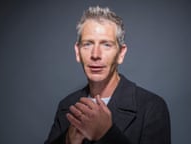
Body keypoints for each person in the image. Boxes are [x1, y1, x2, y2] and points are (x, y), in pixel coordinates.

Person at [44, 6, 171, 144]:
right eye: (88, 44)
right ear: (77, 51)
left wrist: (107, 133)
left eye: (106, 45)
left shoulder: (151, 107)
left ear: (121, 54)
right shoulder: (67, 106)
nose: (95, 55)